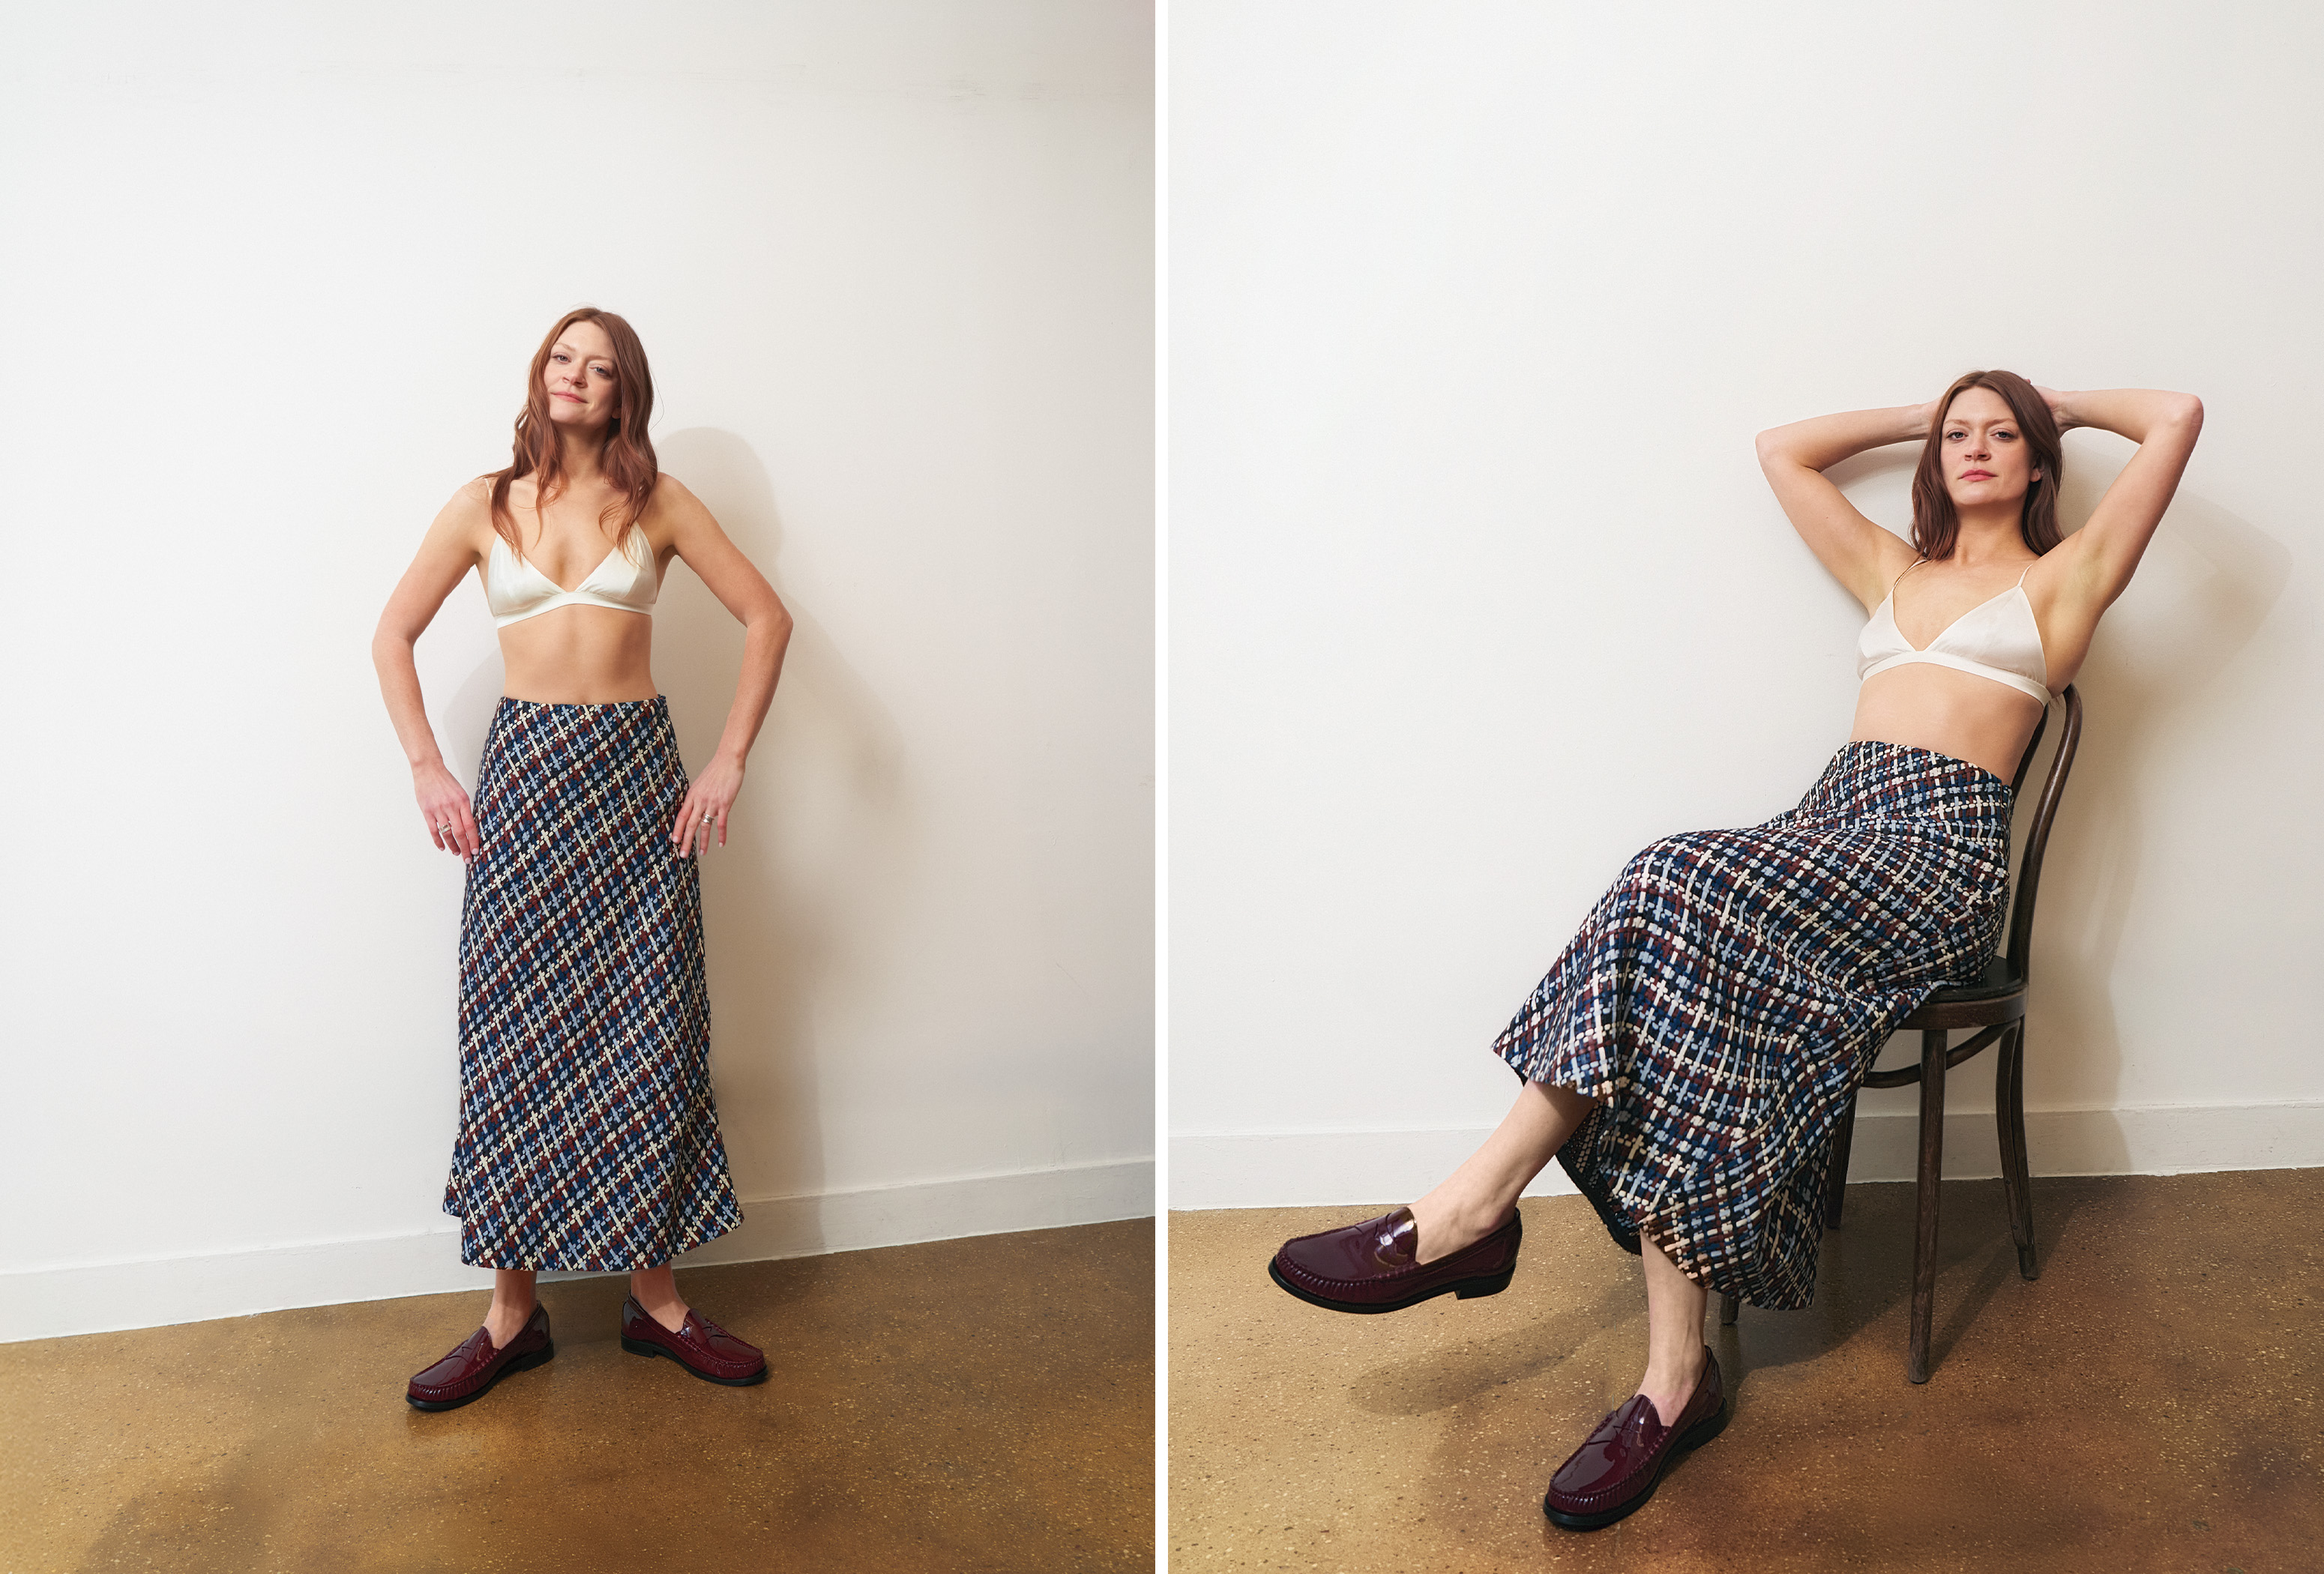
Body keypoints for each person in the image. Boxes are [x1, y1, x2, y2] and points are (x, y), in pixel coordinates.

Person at [1268, 372, 2203, 1528]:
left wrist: (2036, 393)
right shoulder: (1894, 573)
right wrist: (1938, 404)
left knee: (1673, 874)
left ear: (2039, 461)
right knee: (1681, 959)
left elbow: (2175, 418)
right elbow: (1782, 451)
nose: (1975, 448)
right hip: (1829, 833)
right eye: (1959, 435)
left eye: (2001, 436)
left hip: (1935, 862)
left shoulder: (2066, 581)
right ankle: (1674, 1379)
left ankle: (1471, 1215)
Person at [373, 307, 795, 1411]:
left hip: (634, 784)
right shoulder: (483, 503)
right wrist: (427, 766)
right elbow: (391, 634)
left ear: (623, 395)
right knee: (513, 1031)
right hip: (523, 783)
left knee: (646, 1026)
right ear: (541, 374)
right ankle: (511, 1317)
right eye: (564, 358)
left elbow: (766, 616)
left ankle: (656, 1306)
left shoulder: (653, 502)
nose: (577, 376)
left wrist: (729, 762)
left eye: (600, 368)